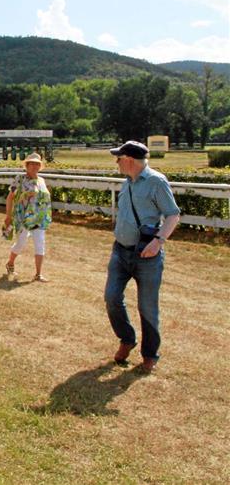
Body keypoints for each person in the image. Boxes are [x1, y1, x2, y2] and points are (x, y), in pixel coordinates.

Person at [106, 141, 180, 373]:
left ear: (128, 160)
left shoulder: (156, 182)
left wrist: (158, 242)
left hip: (146, 255)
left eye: (119, 158)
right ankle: (127, 339)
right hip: (120, 250)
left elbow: (172, 215)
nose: (117, 162)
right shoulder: (127, 183)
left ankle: (150, 354)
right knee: (111, 298)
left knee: (147, 307)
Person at [3, 153, 52, 282]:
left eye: (37, 164)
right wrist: (8, 215)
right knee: (21, 243)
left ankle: (38, 274)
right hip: (23, 217)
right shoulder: (19, 179)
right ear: (27, 165)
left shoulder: (41, 180)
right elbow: (10, 197)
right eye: (32, 163)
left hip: (39, 218)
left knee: (40, 244)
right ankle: (10, 262)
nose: (35, 166)